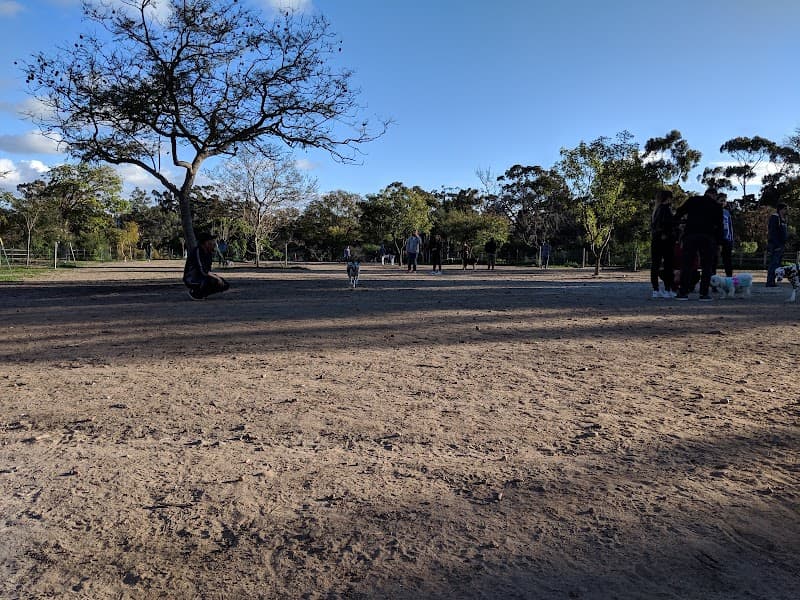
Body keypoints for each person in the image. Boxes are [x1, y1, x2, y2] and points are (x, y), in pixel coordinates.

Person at [674, 187, 722, 301]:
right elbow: (720, 226)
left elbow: (679, 212)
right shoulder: (716, 206)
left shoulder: (692, 200)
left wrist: (680, 225)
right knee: (707, 266)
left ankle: (683, 292)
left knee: (687, 264)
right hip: (708, 237)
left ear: (705, 193)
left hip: (691, 235)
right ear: (714, 195)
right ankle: (704, 293)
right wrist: (719, 243)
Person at [183, 232, 230, 300]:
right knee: (214, 280)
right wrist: (217, 278)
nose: (214, 243)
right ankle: (195, 293)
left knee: (225, 284)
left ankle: (203, 293)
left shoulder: (209, 253)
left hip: (202, 277)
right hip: (192, 279)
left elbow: (208, 270)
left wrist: (217, 278)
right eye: (211, 240)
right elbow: (202, 270)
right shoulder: (197, 251)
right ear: (206, 242)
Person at [650, 190, 675, 298]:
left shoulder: (656, 211)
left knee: (655, 265)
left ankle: (655, 290)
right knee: (668, 265)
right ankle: (667, 289)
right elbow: (668, 224)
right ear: (668, 198)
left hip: (656, 240)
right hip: (666, 241)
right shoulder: (666, 209)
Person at [766, 203, 789, 287]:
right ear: (781, 209)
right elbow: (772, 232)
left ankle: (773, 281)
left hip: (781, 244)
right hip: (776, 244)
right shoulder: (775, 218)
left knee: (777, 264)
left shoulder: (783, 219)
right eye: (785, 209)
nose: (787, 211)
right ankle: (770, 281)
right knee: (774, 263)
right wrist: (776, 244)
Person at [717, 193, 734, 278]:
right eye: (721, 200)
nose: (723, 202)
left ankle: (729, 276)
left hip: (726, 239)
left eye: (724, 201)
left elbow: (730, 226)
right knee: (714, 259)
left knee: (727, 260)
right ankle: (712, 278)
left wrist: (731, 239)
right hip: (716, 239)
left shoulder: (727, 212)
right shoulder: (713, 210)